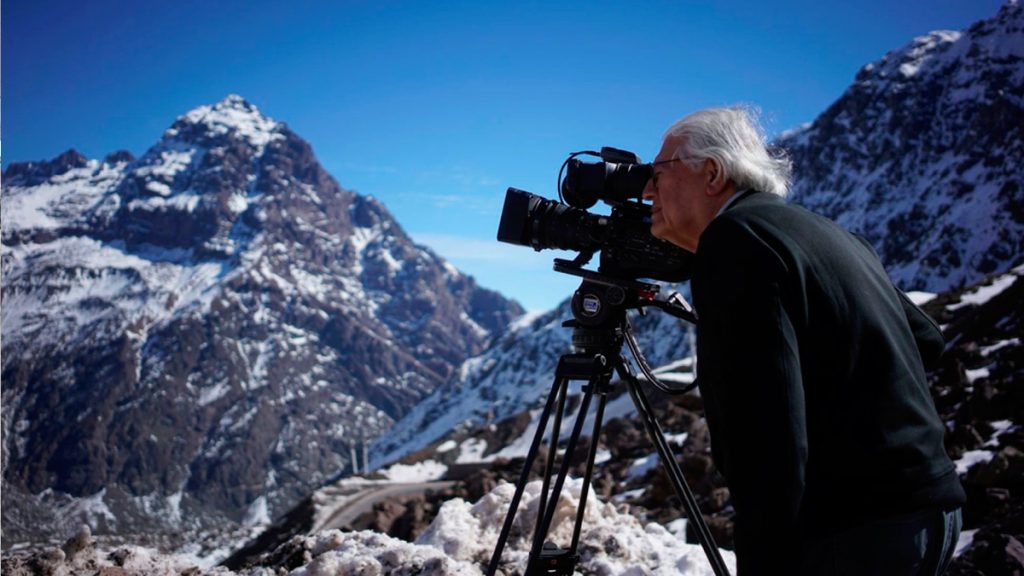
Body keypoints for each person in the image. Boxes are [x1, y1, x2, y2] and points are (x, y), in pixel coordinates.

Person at [642, 107, 965, 575]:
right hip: (930, 508)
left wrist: (763, 560)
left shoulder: (733, 239)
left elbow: (765, 429)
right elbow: (927, 339)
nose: (646, 189)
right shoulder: (830, 232)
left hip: (861, 530)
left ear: (712, 173)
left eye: (658, 173)